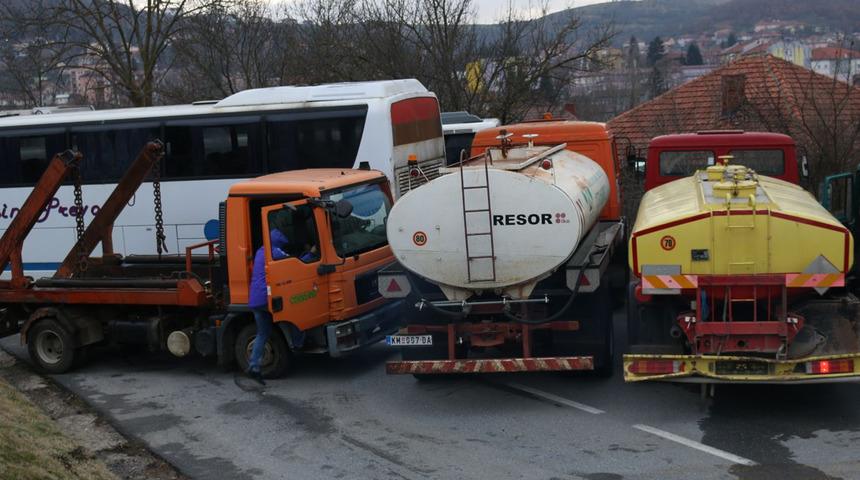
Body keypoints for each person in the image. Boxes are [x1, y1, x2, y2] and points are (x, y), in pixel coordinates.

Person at [246, 229, 290, 384]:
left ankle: (254, 366)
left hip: (255, 300)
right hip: (265, 299)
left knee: (262, 333)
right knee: (291, 315)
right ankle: (299, 342)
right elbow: (290, 261)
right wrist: (310, 254)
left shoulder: (260, 251)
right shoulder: (274, 251)